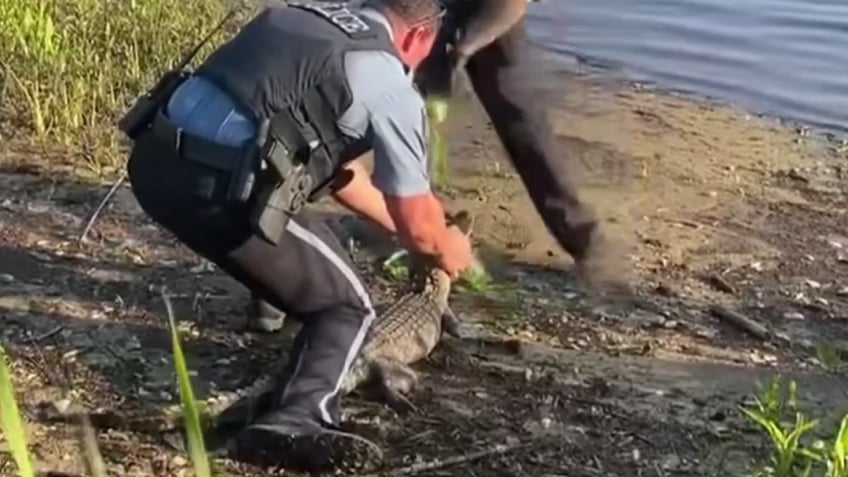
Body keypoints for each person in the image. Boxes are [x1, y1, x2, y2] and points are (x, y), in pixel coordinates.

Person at [121, 0, 472, 471]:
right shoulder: (391, 84)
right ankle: (295, 419)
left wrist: (409, 228)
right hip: (210, 195)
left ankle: (272, 305)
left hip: (152, 165)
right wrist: (449, 246)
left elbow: (343, 173)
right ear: (419, 38)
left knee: (300, 223)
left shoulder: (296, 15)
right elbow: (424, 230)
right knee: (348, 307)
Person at [250, 0, 630, 332]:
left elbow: (508, 5)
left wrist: (462, 49)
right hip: (404, 14)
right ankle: (276, 268)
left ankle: (585, 244)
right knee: (349, 117)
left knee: (522, 121)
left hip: (481, 18)